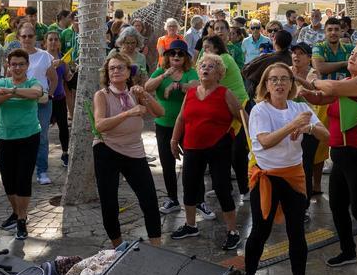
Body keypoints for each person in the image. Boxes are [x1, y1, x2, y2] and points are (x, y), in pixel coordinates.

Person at [243, 63, 327, 275]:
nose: (279, 83)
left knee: (296, 231)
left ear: (292, 84)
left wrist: (309, 126)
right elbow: (266, 142)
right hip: (266, 176)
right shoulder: (260, 110)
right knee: (260, 229)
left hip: (294, 176)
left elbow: (328, 136)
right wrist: (293, 125)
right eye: (273, 79)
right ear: (266, 85)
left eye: (284, 79)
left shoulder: (300, 107)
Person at [300, 41, 357, 266]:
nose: (352, 58)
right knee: (337, 205)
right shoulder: (348, 81)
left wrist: (313, 79)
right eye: (352, 54)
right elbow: (320, 96)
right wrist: (301, 86)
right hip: (340, 154)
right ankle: (348, 251)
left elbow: (331, 89)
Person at [170, 52, 244, 250]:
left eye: (211, 67)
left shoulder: (225, 93)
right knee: (189, 185)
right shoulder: (191, 92)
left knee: (222, 188)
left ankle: (232, 231)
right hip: (192, 146)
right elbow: (181, 118)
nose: (205, 69)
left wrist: (244, 139)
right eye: (203, 65)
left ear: (219, 73)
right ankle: (191, 225)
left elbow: (242, 117)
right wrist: (174, 139)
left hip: (218, 147)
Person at [90, 55, 165, 247]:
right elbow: (99, 125)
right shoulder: (102, 95)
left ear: (128, 72)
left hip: (134, 151)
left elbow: (159, 112)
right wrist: (129, 113)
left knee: (149, 199)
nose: (115, 71)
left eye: (120, 68)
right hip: (107, 150)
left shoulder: (135, 93)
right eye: (112, 68)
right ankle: (118, 247)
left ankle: (157, 247)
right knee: (109, 203)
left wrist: (145, 96)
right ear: (107, 73)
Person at [0, 50, 46, 238]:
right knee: (9, 180)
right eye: (14, 64)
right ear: (8, 66)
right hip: (6, 137)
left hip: (29, 136)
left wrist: (12, 91)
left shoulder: (31, 82)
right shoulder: (1, 82)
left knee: (23, 179)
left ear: (27, 66)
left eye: (21, 64)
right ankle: (16, 212)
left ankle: (22, 219)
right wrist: (10, 94)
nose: (17, 68)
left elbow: (37, 93)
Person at [145, 39, 199, 213]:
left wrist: (176, 85)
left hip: (187, 124)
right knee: (167, 164)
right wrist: (164, 76)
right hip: (164, 124)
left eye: (180, 54)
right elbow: (147, 87)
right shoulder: (161, 71)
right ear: (167, 56)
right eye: (173, 53)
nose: (176, 56)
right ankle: (172, 199)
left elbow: (196, 88)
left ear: (186, 57)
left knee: (192, 162)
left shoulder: (190, 72)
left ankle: (198, 200)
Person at [14, 24, 57, 185]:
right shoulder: (14, 56)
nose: (27, 39)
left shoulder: (44, 56)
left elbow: (53, 78)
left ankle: (42, 171)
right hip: (19, 102)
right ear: (18, 37)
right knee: (20, 135)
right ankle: (23, 169)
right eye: (24, 36)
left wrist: (50, 94)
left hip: (41, 103)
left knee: (42, 137)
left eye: (30, 36)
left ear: (35, 38)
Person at [290, 42, 329, 203]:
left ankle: (305, 199)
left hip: (310, 122)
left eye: (300, 53)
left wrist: (295, 78)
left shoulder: (312, 73)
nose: (296, 56)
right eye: (294, 53)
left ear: (309, 58)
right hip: (291, 122)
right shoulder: (287, 70)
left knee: (308, 161)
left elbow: (313, 88)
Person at [43, 31, 71, 167]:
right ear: (45, 42)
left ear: (59, 42)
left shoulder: (63, 58)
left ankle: (65, 152)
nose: (53, 42)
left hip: (59, 98)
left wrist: (73, 70)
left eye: (55, 39)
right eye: (50, 40)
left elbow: (67, 77)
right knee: (42, 129)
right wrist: (53, 66)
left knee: (64, 128)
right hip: (45, 98)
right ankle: (40, 156)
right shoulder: (42, 57)